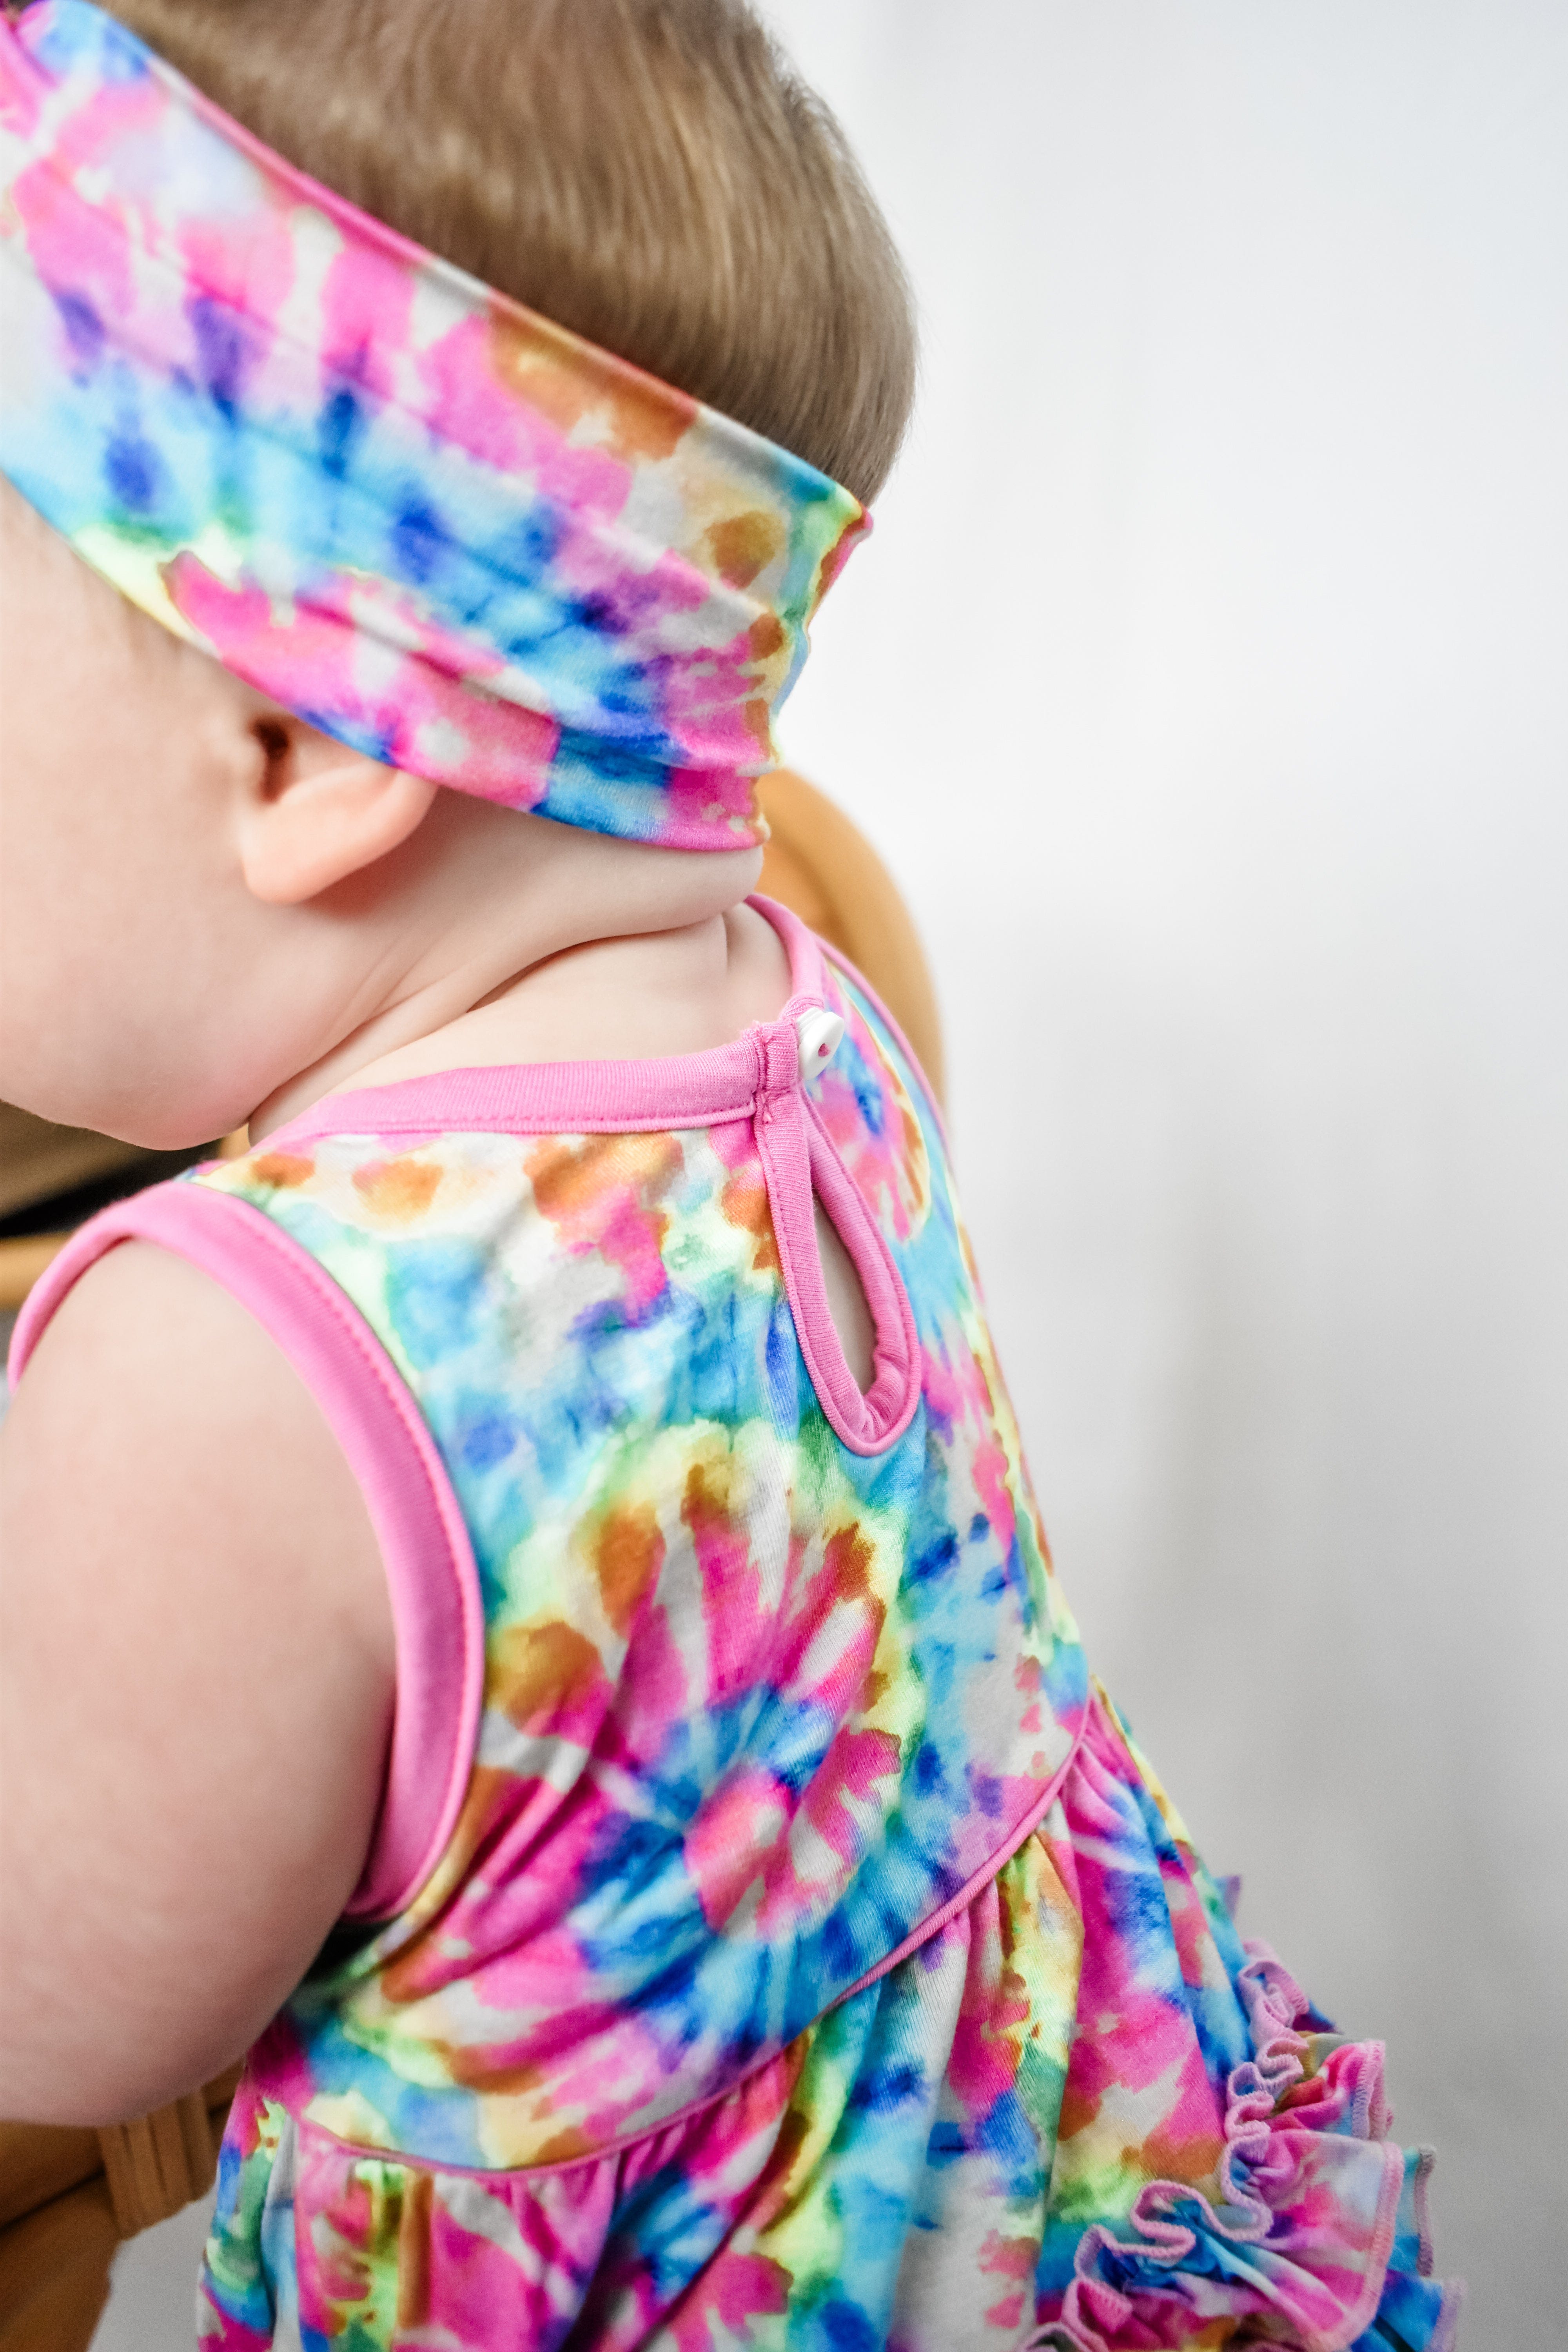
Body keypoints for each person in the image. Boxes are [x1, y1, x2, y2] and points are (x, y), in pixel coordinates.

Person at [0, 3, 1461, 2344]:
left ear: (298, 743)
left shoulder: (225, 1372)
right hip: (1022, 2209)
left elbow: (58, 2030)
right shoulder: (813, 1006)